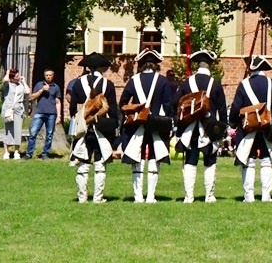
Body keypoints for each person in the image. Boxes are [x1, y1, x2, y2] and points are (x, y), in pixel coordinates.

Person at [119, 49, 173, 204]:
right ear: (156, 65)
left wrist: (132, 114)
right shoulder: (163, 81)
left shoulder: (133, 80)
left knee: (138, 157)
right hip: (156, 123)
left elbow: (123, 103)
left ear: (141, 65)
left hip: (137, 124)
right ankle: (151, 196)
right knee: (155, 157)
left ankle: (138, 197)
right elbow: (168, 105)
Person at [229, 55, 272, 202]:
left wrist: (233, 123)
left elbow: (236, 107)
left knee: (249, 161)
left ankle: (249, 196)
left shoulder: (244, 84)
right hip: (268, 126)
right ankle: (266, 196)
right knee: (267, 161)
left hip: (248, 128)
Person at [174, 50, 227, 203]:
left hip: (190, 129)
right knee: (210, 161)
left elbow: (175, 103)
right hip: (210, 129)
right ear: (210, 65)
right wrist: (222, 131)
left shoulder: (187, 83)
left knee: (190, 161)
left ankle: (188, 197)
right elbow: (222, 110)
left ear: (198, 65)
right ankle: (209, 196)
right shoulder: (215, 84)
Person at [69, 53, 119, 203]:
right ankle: (98, 198)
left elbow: (72, 107)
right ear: (102, 68)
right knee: (100, 164)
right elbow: (113, 110)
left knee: (83, 163)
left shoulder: (78, 83)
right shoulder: (108, 84)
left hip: (83, 128)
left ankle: (82, 197)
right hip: (101, 128)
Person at [25, 68, 62, 160]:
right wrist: (42, 90)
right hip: (39, 112)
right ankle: (29, 153)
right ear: (44, 76)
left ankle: (45, 153)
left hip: (51, 114)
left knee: (49, 135)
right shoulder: (39, 85)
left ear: (53, 76)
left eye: (50, 75)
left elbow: (58, 102)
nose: (48, 77)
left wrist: (59, 115)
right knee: (33, 133)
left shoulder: (56, 87)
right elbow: (32, 97)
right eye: (47, 75)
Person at [1, 69, 31, 159]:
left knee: (17, 130)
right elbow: (5, 80)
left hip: (18, 109)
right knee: (8, 130)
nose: (18, 77)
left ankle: (16, 152)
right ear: (12, 78)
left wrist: (24, 81)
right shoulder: (8, 85)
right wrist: (7, 72)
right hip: (8, 108)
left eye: (19, 75)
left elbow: (28, 92)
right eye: (16, 76)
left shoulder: (20, 85)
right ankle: (6, 152)